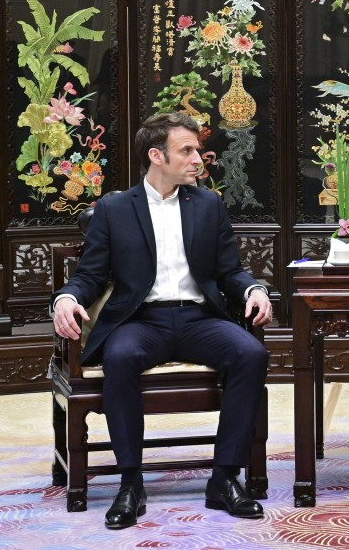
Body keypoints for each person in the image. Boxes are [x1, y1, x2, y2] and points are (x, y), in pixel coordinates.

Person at [52, 112, 273, 529]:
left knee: (251, 353)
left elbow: (230, 271)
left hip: (199, 319)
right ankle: (131, 483)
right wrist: (65, 297)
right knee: (120, 357)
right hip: (142, 320)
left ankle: (224, 477)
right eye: (186, 151)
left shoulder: (208, 204)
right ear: (157, 155)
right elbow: (91, 275)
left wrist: (253, 288)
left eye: (196, 150)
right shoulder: (115, 209)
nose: (197, 159)